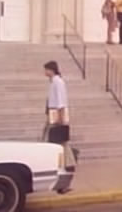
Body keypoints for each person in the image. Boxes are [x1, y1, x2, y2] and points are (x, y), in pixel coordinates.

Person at [43, 61, 77, 192]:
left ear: (51, 70)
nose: (44, 72)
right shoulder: (52, 82)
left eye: (46, 69)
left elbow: (61, 103)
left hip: (58, 116)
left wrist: (62, 122)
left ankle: (66, 175)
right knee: (54, 145)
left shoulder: (58, 82)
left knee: (62, 147)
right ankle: (60, 176)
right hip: (53, 115)